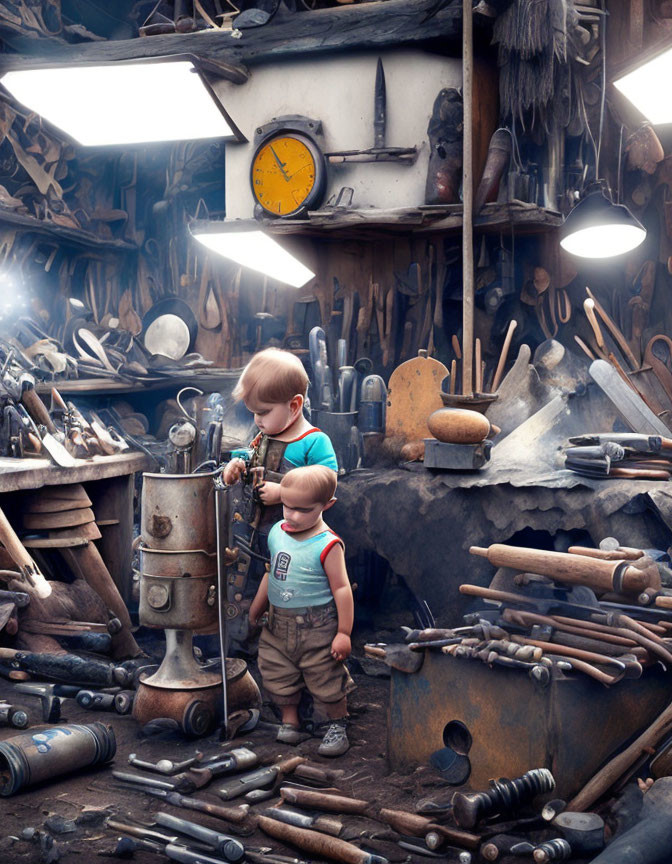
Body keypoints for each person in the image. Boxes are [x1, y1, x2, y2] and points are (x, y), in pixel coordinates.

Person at [222, 348, 338, 654]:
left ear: (294, 405)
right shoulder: (265, 436)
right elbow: (250, 458)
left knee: (283, 585)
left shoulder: (313, 441)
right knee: (248, 580)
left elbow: (326, 484)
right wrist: (235, 468)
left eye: (263, 412)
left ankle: (287, 645)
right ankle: (247, 638)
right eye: (253, 413)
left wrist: (282, 493)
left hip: (296, 538)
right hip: (255, 530)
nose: (257, 420)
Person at [249, 465, 355, 757]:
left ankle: (337, 724)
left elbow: (342, 589)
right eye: (286, 505)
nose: (291, 515)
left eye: (301, 509)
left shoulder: (328, 544)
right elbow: (270, 574)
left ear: (326, 505)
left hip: (316, 626)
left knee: (325, 675)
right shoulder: (276, 533)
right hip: (277, 623)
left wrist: (343, 632)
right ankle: (290, 719)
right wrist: (256, 609)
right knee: (277, 671)